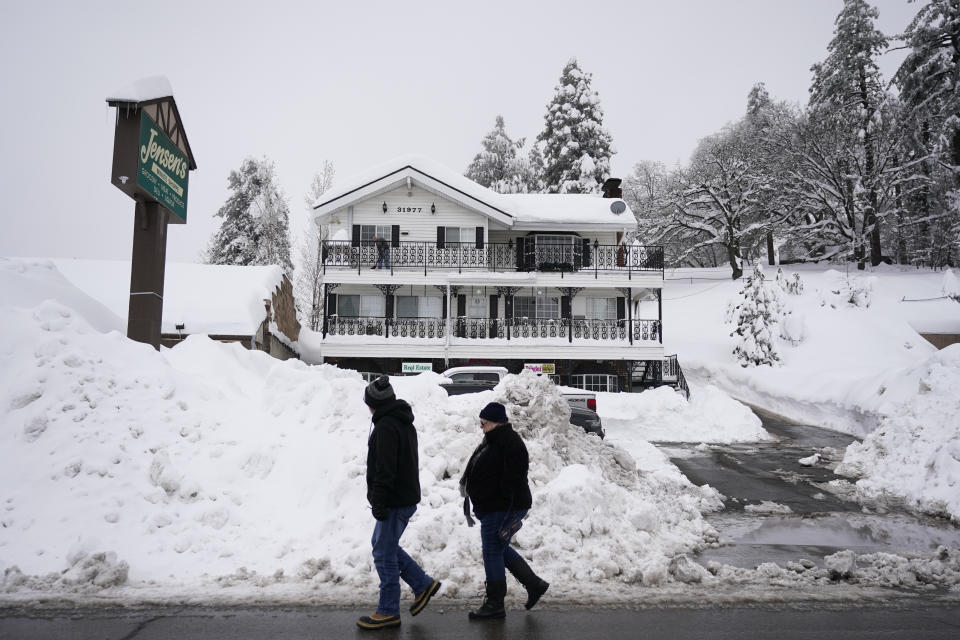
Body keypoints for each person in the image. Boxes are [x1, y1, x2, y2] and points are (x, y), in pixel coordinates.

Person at [357, 375, 441, 630]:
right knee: (384, 545)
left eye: (368, 403)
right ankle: (422, 584)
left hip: (394, 499)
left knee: (383, 552)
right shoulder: (401, 421)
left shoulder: (386, 427)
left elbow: (386, 469)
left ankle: (389, 610)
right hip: (402, 496)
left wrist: (380, 501)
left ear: (374, 404)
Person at [460, 402, 548, 620]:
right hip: (493, 507)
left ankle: (495, 603)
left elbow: (513, 479)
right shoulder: (493, 439)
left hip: (502, 507)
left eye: (483, 423)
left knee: (491, 551)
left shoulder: (510, 443)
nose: (481, 427)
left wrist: (494, 500)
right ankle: (534, 584)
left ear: (495, 422)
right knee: (498, 547)